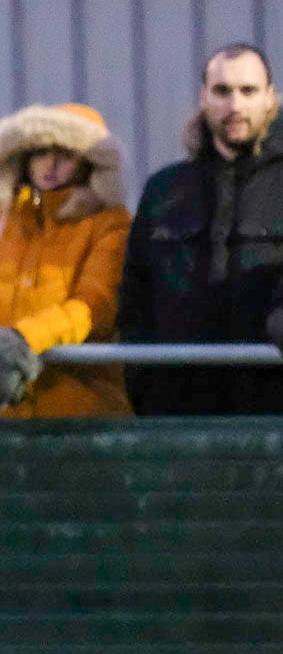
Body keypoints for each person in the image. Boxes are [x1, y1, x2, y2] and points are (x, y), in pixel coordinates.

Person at [118, 42, 283, 415]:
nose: (235, 105)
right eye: (222, 91)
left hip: (271, 412)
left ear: (270, 98)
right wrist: (143, 385)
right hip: (177, 411)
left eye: (248, 91)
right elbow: (134, 297)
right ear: (204, 98)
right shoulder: (165, 189)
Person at [0, 103, 133, 419]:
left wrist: (21, 343)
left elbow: (94, 305)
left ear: (89, 162)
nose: (51, 164)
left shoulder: (110, 222)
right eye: (40, 151)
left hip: (81, 415)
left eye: (66, 153)